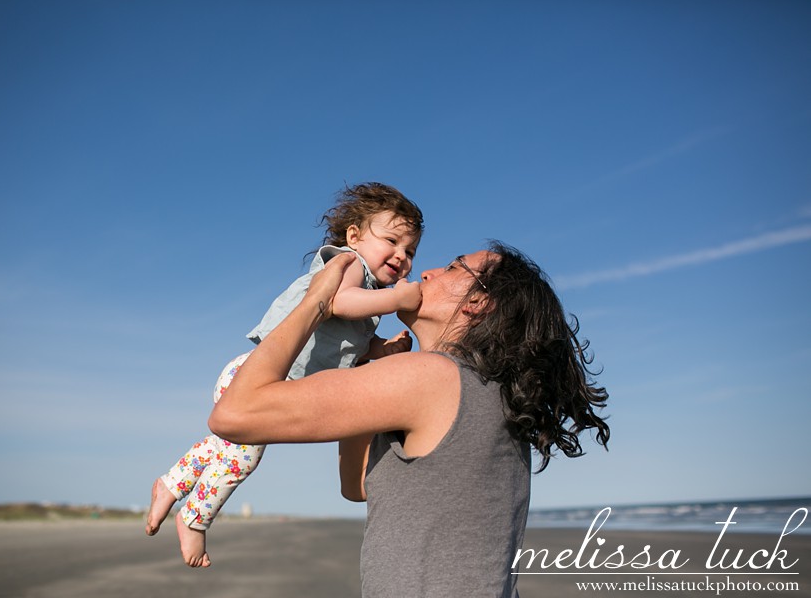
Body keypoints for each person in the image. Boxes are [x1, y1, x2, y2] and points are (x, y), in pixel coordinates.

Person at [209, 242, 610, 597]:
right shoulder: (490, 391)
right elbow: (357, 485)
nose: (427, 272)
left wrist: (316, 300)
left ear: (479, 302)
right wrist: (366, 365)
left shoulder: (433, 376)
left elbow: (235, 413)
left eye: (454, 268)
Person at [146, 182, 424, 567]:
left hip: (265, 381)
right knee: (242, 456)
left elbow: (355, 342)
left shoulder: (369, 296)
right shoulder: (347, 265)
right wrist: (396, 300)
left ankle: (170, 483)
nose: (402, 257)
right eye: (392, 241)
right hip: (256, 377)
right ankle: (195, 518)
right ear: (354, 236)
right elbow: (337, 303)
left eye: (410, 251)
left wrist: (384, 349)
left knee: (224, 447)